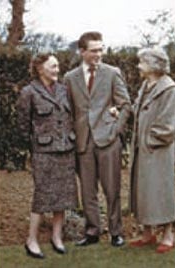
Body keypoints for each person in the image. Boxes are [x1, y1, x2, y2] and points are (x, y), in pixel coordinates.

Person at [63, 31, 131, 247]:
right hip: (83, 141)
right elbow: (67, 111)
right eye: (94, 50)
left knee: (112, 190)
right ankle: (92, 232)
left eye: (101, 49)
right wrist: (72, 135)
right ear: (82, 51)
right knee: (87, 191)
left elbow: (126, 105)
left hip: (108, 140)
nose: (99, 54)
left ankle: (116, 233)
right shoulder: (70, 78)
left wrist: (115, 130)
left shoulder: (112, 73)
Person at [17, 53, 78, 258]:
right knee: (42, 197)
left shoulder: (64, 90)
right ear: (40, 68)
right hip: (43, 153)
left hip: (66, 150)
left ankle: (56, 237)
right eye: (53, 66)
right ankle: (31, 240)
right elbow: (23, 125)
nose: (57, 70)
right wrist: (31, 151)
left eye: (58, 66)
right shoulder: (28, 92)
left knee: (63, 196)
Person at [129, 48, 175, 253]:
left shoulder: (169, 89)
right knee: (144, 191)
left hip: (158, 151)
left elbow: (169, 125)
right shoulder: (146, 85)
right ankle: (148, 233)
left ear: (154, 65)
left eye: (142, 62)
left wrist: (148, 140)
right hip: (144, 149)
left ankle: (168, 234)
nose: (139, 66)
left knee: (161, 191)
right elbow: (138, 109)